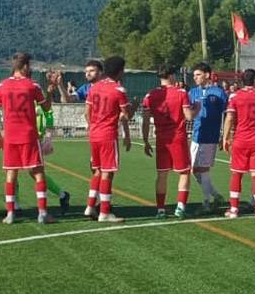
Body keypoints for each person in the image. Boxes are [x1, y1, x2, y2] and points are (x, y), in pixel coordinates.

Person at [0, 53, 57, 225]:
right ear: (25, 66)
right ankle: (42, 213)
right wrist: (50, 90)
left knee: (11, 174)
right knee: (38, 174)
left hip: (10, 137)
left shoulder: (2, 86)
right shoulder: (32, 85)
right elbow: (47, 107)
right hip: (28, 135)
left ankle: (10, 214)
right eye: (30, 65)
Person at [83, 55, 132, 223]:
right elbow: (126, 115)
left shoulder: (94, 88)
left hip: (94, 135)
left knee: (97, 170)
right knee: (107, 173)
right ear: (119, 71)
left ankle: (90, 206)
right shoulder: (118, 90)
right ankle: (104, 212)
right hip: (107, 135)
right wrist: (132, 108)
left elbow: (86, 113)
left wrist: (94, 126)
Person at [142, 65, 194, 219]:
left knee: (162, 174)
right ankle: (180, 208)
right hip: (177, 138)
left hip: (161, 139)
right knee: (184, 172)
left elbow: (145, 121)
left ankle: (161, 210)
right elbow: (189, 116)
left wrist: (145, 140)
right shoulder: (181, 93)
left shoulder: (150, 95)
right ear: (172, 76)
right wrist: (196, 108)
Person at [222, 68, 255, 219]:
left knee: (237, 174)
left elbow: (230, 118)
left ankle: (234, 209)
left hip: (241, 139)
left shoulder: (235, 96)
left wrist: (225, 137)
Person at [188, 62, 227, 212]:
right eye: (194, 75)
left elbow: (227, 114)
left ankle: (206, 203)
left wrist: (224, 134)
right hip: (196, 135)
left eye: (198, 75)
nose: (195, 78)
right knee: (194, 170)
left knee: (203, 169)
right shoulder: (192, 93)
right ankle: (216, 195)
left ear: (207, 75)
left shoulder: (218, 92)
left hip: (210, 136)